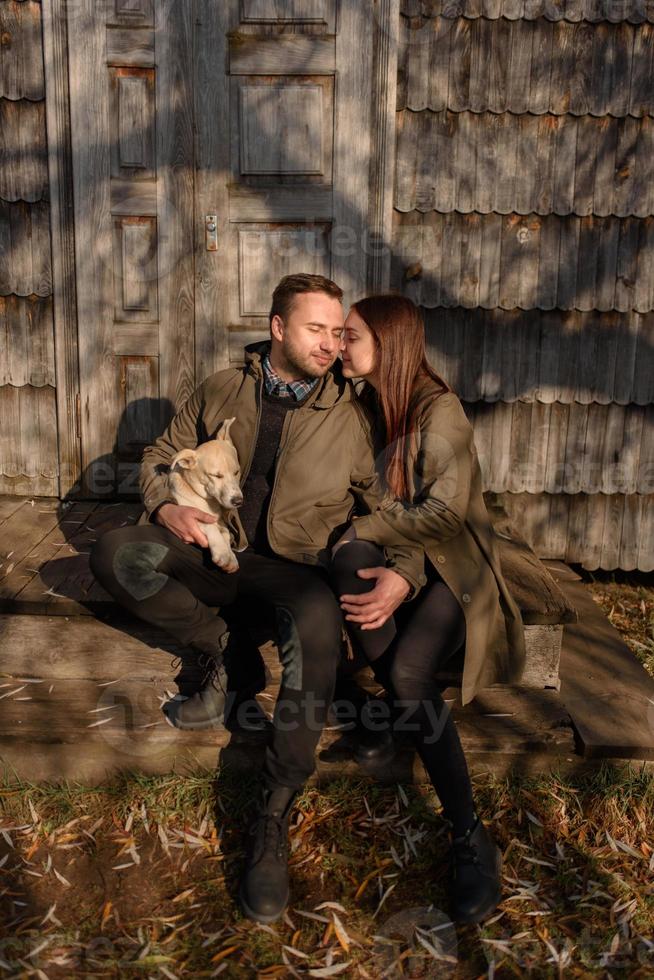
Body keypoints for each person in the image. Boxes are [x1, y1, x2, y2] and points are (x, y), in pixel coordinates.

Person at [89, 274, 424, 924]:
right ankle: (219, 647)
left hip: (295, 573)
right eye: (315, 329)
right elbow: (161, 454)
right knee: (115, 553)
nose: (330, 343)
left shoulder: (351, 414)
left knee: (316, 621)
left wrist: (404, 569)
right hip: (216, 549)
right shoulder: (222, 387)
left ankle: (272, 819)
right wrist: (164, 509)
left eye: (336, 331)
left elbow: (387, 505)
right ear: (277, 328)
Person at [329, 294, 527, 924]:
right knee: (352, 561)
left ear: (385, 345)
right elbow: (368, 489)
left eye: (350, 336)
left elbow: (441, 514)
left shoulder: (439, 412)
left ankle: (469, 833)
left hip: (455, 564)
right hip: (412, 554)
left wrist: (394, 565)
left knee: (412, 673)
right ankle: (396, 714)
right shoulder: (369, 402)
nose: (340, 346)